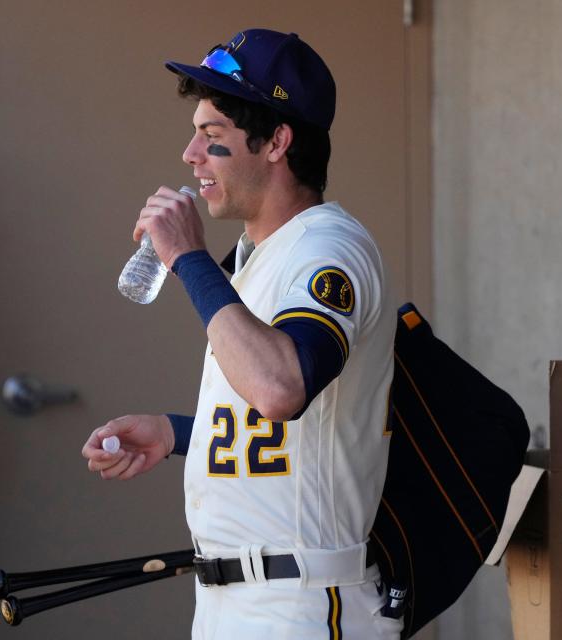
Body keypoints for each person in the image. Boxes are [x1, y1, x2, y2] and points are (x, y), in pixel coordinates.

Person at [82, 28, 399, 639]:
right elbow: (292, 436)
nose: (190, 153)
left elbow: (282, 388)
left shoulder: (328, 246)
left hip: (306, 603)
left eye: (213, 136)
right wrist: (175, 433)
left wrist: (189, 259)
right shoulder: (259, 253)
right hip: (238, 604)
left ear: (278, 140)